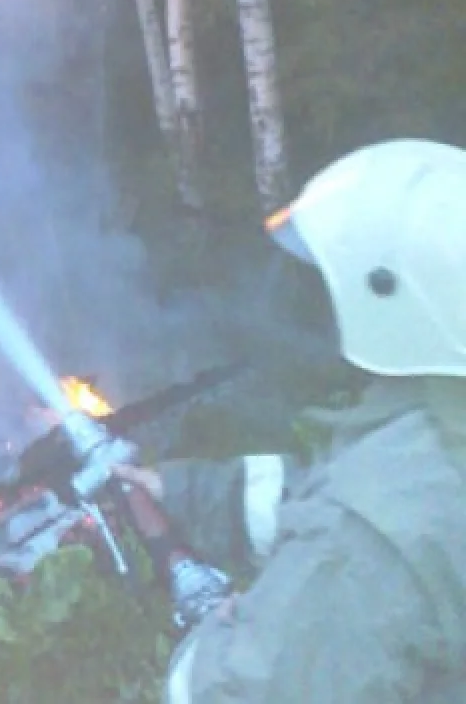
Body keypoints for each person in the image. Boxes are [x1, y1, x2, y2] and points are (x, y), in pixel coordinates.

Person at [115, 137, 466, 703]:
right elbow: (341, 487)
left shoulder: (366, 543)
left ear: (387, 296)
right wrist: (185, 493)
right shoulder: (434, 434)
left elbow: (242, 691)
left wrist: (211, 636)